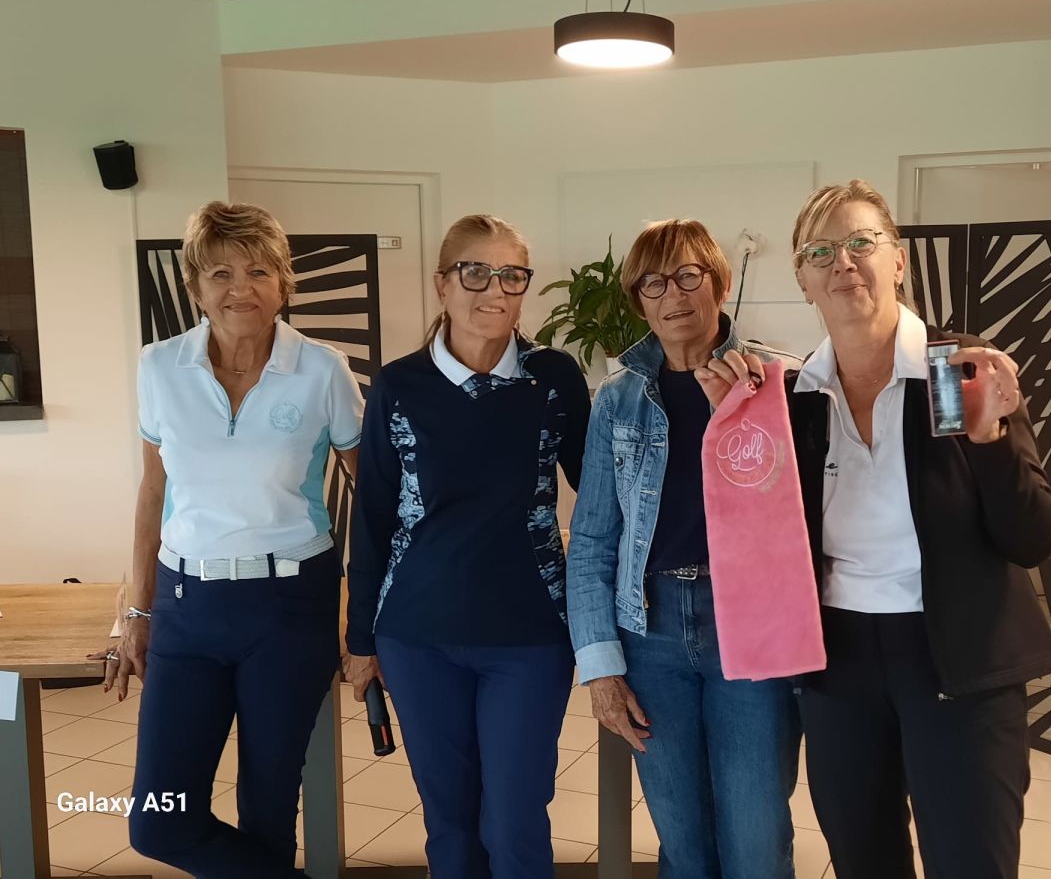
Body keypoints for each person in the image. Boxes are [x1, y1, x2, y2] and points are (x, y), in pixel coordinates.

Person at [696, 180, 1051, 879]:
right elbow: (762, 542)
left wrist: (989, 444)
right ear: (804, 280)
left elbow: (1031, 540)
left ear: (897, 261)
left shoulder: (952, 372)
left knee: (970, 862)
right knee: (863, 860)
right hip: (840, 665)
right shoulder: (795, 398)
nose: (843, 262)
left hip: (956, 659)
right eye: (820, 252)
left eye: (861, 242)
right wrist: (736, 430)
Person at [100, 201, 364, 878]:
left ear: (284, 283)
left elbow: (373, 496)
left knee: (267, 814)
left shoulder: (323, 370)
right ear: (195, 286)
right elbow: (152, 491)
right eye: (220, 272)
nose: (239, 289)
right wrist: (137, 612)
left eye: (258, 272)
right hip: (186, 606)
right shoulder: (160, 366)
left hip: (291, 607)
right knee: (159, 822)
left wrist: (361, 612)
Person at [342, 215, 590, 879]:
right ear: (442, 285)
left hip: (530, 636)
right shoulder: (399, 385)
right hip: (418, 636)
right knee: (449, 825)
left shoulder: (553, 379)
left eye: (512, 275)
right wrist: (361, 639)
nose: (495, 290)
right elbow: (373, 516)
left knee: (514, 823)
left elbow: (600, 500)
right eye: (475, 272)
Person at [567, 219, 803, 878]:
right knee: (683, 844)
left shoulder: (775, 384)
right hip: (651, 635)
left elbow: (799, 521)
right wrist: (600, 668)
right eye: (653, 283)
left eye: (687, 275)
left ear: (719, 285)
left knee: (756, 843)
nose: (672, 294)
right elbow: (592, 541)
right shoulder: (617, 401)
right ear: (638, 301)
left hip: (749, 630)